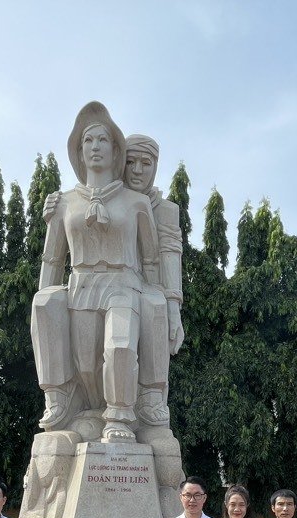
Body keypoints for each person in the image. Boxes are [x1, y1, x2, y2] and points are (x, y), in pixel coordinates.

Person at [31, 101, 160, 441]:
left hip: (124, 285)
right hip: (82, 286)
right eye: (87, 141)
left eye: (103, 140)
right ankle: (61, 399)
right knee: (86, 366)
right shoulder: (63, 202)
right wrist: (42, 305)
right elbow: (52, 259)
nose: (95, 147)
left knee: (120, 347)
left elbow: (151, 260)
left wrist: (163, 306)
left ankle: (119, 417)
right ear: (78, 151)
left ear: (115, 149)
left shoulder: (137, 202)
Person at [122, 133, 184, 426]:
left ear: (155, 166)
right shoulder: (109, 201)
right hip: (113, 286)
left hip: (151, 290)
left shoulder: (166, 210)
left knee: (155, 309)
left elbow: (171, 254)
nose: (137, 170)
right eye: (130, 161)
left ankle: (151, 400)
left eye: (145, 163)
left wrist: (174, 308)